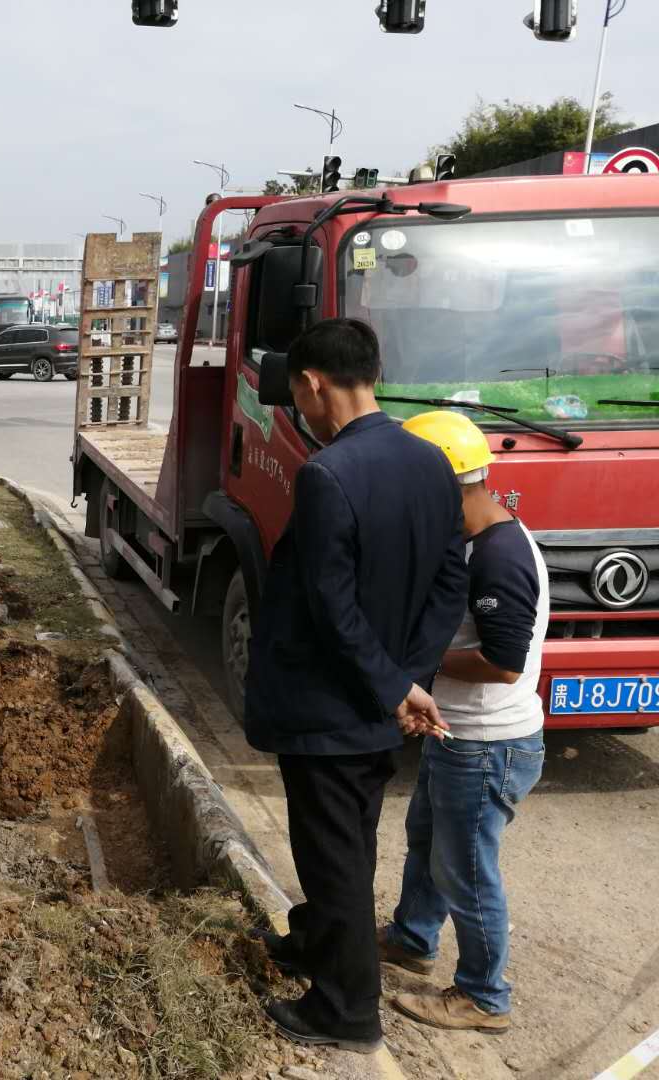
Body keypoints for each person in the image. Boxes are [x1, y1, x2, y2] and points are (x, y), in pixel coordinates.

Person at [245, 319, 469, 1054]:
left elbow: (329, 607)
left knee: (332, 855)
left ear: (313, 384)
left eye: (300, 396)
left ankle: (345, 1012)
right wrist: (410, 680)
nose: (302, 411)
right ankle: (318, 944)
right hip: (381, 705)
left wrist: (386, 685)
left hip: (331, 709)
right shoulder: (431, 462)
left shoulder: (327, 474)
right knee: (351, 844)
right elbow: (448, 583)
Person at [380, 411, 548, 1035]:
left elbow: (503, 664)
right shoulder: (480, 536)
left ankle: (483, 995)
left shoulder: (500, 557)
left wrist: (415, 665)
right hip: (461, 736)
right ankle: (413, 939)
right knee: (427, 842)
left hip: (488, 745)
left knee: (467, 872)